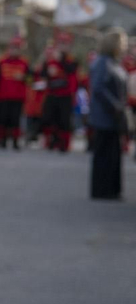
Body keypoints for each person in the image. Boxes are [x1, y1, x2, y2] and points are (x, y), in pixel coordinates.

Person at [88, 27, 129, 200]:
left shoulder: (112, 62)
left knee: (113, 154)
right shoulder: (103, 62)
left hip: (112, 115)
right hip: (106, 116)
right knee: (104, 155)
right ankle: (102, 190)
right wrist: (115, 105)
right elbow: (98, 88)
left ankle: (112, 189)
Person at [40, 40, 78, 152]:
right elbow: (43, 75)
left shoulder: (70, 61)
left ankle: (64, 144)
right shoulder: (50, 61)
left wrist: (61, 60)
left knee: (64, 120)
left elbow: (71, 70)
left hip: (65, 95)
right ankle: (52, 141)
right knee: (50, 118)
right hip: (52, 94)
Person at [0, 38, 30, 150]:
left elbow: (31, 79)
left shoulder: (24, 63)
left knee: (15, 120)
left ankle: (15, 141)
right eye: (12, 48)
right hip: (3, 96)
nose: (14, 50)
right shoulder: (2, 62)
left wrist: (24, 77)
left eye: (16, 48)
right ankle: (3, 141)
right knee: (3, 119)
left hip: (18, 97)